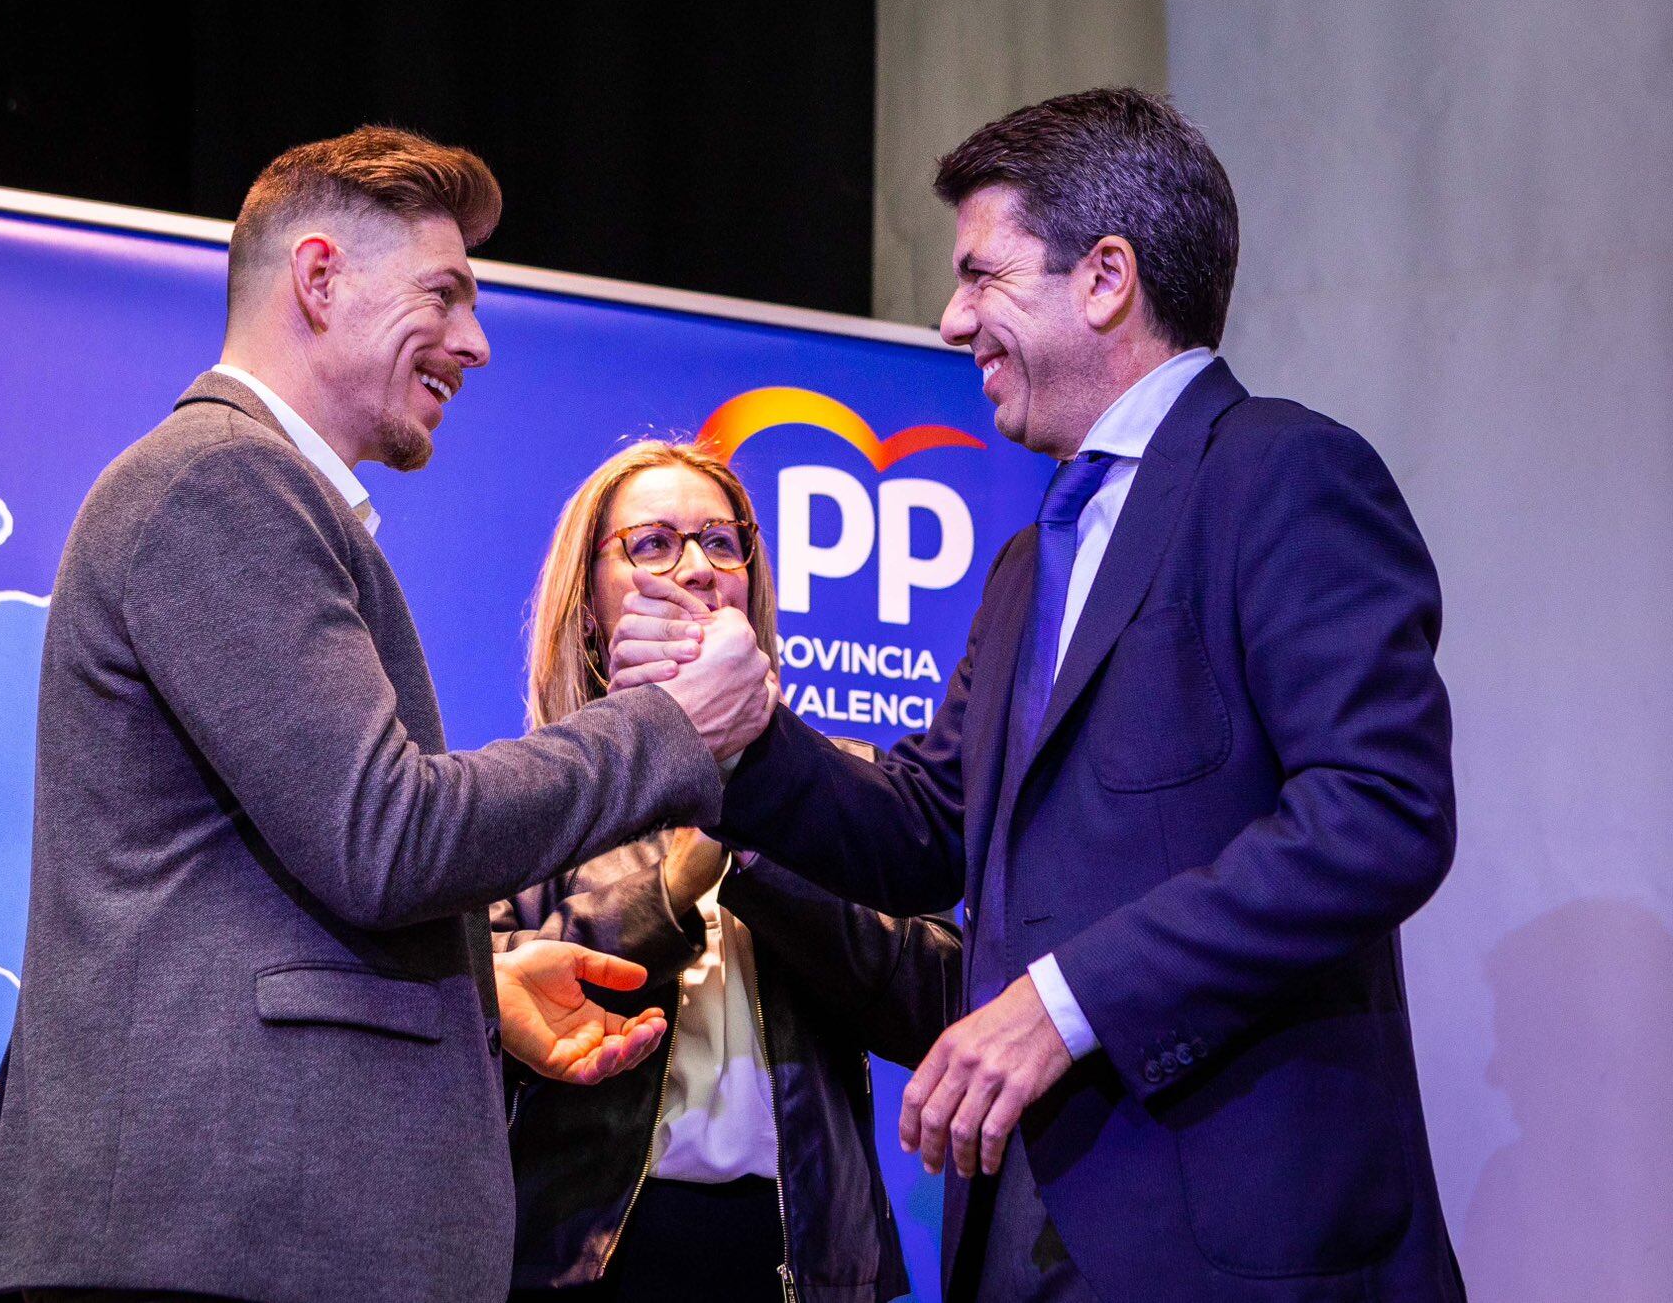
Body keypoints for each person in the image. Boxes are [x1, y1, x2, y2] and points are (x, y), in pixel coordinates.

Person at [609, 89, 1464, 1303]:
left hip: (1247, 1245)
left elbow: (1377, 814)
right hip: (1022, 1237)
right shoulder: (1028, 558)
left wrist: (1062, 1004)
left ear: (1105, 276)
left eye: (980, 275)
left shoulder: (1284, 474)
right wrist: (740, 733)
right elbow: (917, 829)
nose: (951, 319)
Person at [0, 127, 774, 1303]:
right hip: (206, 1254)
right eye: (445, 294)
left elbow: (289, 868)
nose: (475, 343)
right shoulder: (219, 481)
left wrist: (479, 988)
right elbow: (387, 836)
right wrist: (671, 726)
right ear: (318, 279)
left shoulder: (249, 493)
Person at [492, 440, 962, 1302]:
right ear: (590, 606)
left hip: (802, 1262)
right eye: (654, 543)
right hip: (588, 1261)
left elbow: (940, 1001)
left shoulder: (847, 788)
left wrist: (759, 831)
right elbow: (486, 1017)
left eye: (720, 541)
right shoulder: (531, 793)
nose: (699, 569)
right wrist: (675, 884)